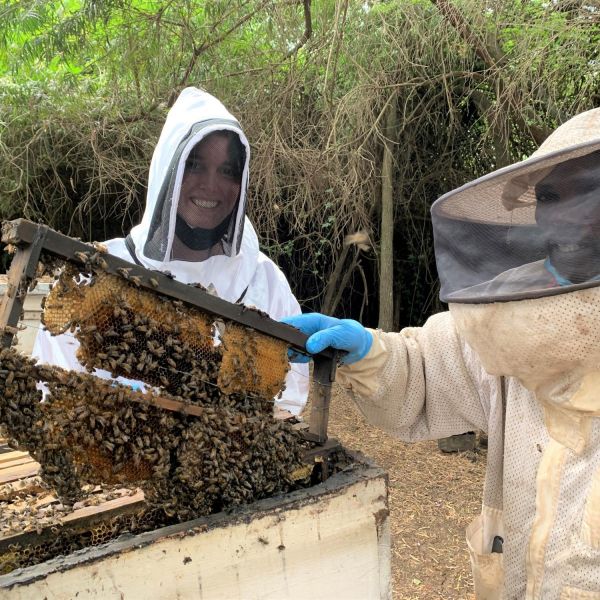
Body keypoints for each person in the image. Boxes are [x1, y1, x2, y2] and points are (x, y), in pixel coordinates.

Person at [283, 108, 600, 598]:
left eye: (587, 192)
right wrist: (369, 350)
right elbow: (432, 369)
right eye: (550, 195)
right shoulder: (511, 305)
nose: (564, 213)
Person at [34, 87, 308, 415]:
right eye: (194, 165)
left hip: (226, 460)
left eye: (227, 170)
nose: (212, 184)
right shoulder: (96, 275)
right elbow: (53, 390)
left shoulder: (265, 282)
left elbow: (288, 399)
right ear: (168, 170)